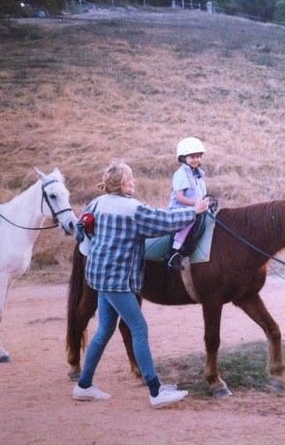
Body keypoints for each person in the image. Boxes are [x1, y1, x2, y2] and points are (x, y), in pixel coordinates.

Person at [72, 163, 209, 408]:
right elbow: (165, 221)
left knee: (104, 330)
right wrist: (195, 211)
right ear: (123, 184)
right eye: (131, 179)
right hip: (117, 279)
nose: (134, 182)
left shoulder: (96, 202)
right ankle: (156, 391)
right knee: (139, 329)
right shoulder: (133, 209)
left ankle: (84, 385)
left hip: (98, 274)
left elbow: (81, 227)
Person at [167, 137, 207, 271]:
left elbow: (200, 195)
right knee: (189, 223)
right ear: (183, 158)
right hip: (181, 209)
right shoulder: (181, 174)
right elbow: (179, 198)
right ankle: (174, 253)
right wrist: (197, 204)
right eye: (192, 157)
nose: (196, 159)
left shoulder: (199, 175)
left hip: (196, 208)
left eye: (198, 156)